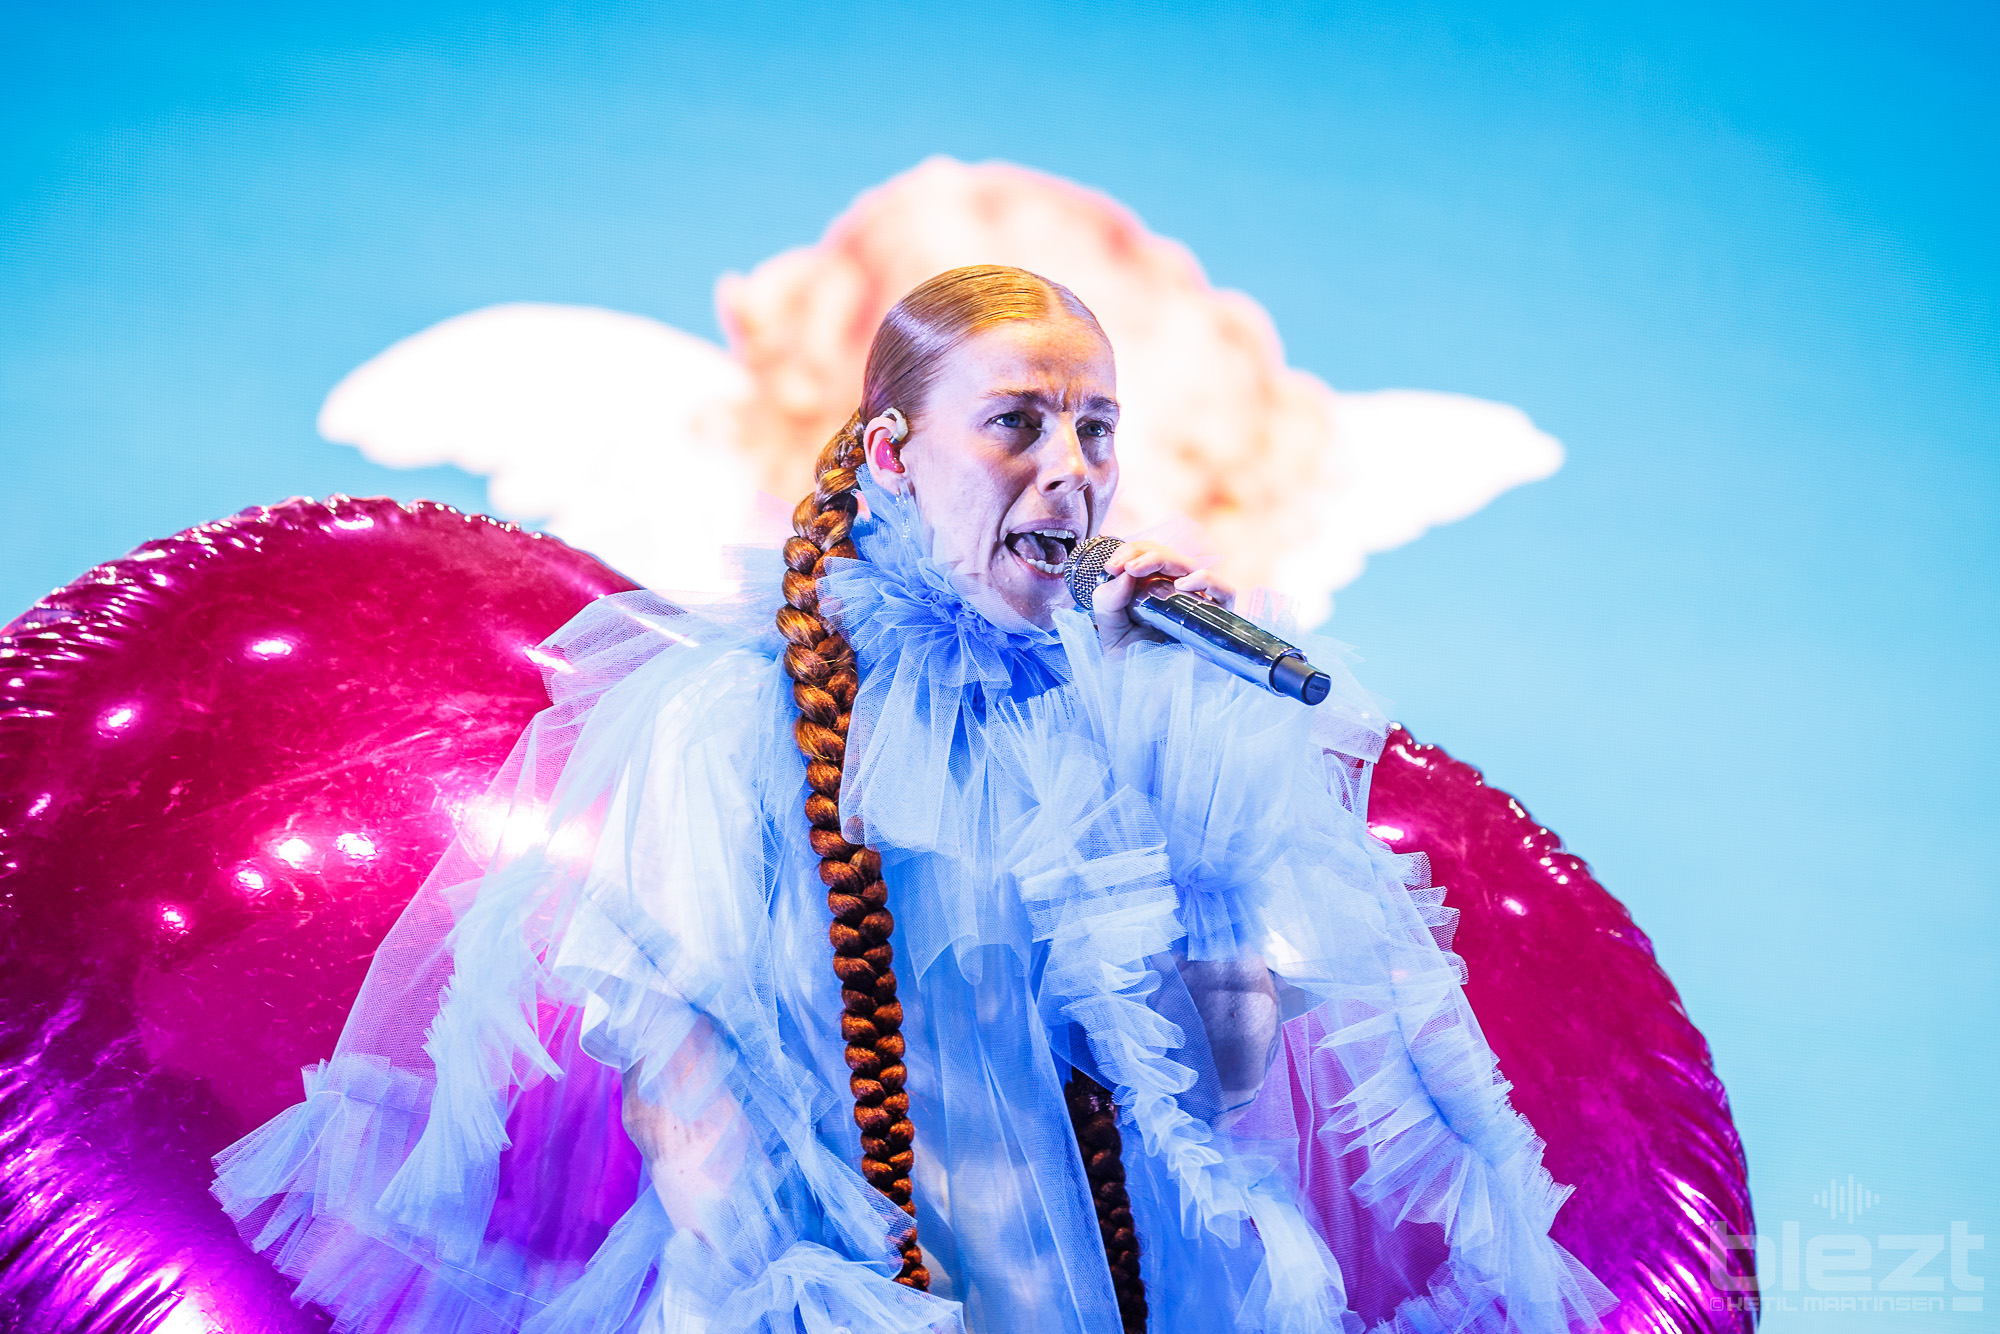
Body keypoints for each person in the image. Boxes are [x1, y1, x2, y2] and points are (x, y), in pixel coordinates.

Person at [213, 265, 1615, 1334]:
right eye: (1016, 424)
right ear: (892, 454)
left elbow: (1226, 1081)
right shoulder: (731, 717)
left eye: (1096, 428)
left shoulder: (1107, 731)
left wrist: (1204, 764)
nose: (1070, 470)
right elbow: (686, 1099)